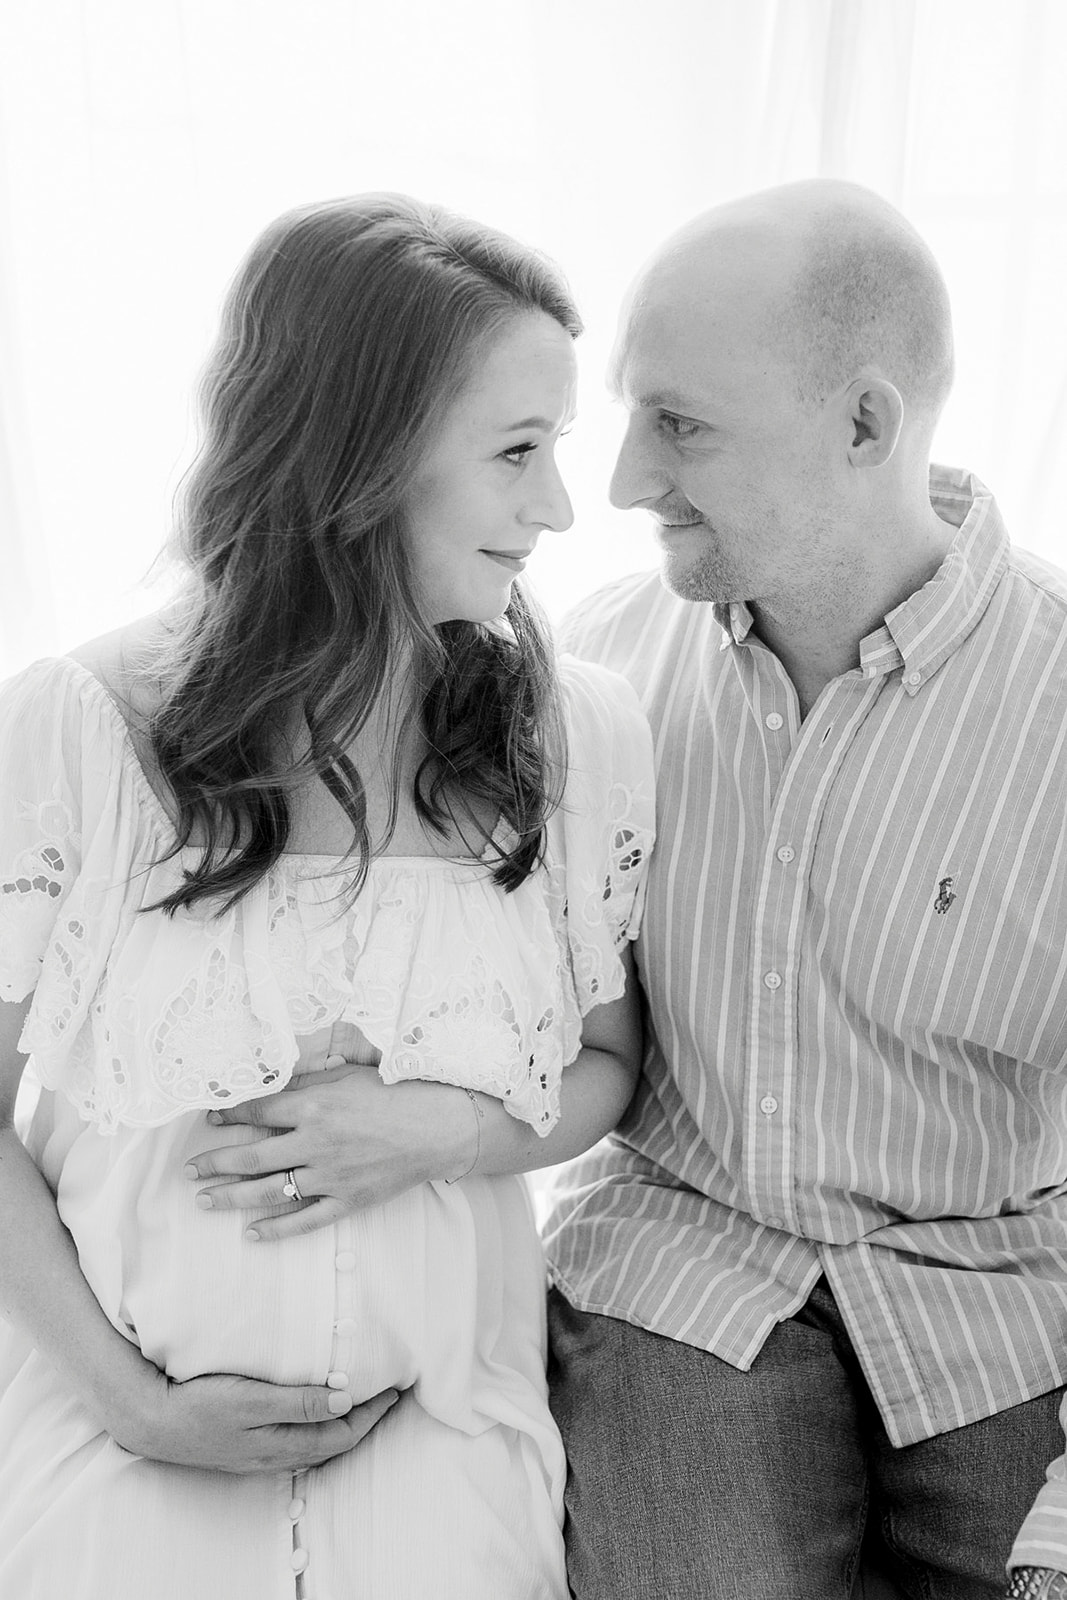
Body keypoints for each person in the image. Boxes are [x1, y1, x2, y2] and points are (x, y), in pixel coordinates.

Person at [0, 193, 654, 1599]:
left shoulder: (576, 735)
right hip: (124, 1425)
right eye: (517, 452)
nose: (558, 507)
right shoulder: (76, 727)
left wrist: (443, 1131)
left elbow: (611, 1066)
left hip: (448, 1422)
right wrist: (130, 1402)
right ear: (362, 462)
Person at [535, 178, 1067, 1600]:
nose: (626, 483)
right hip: (681, 1270)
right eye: (633, 415)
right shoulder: (594, 670)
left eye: (682, 425)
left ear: (867, 426)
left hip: (1002, 1294)